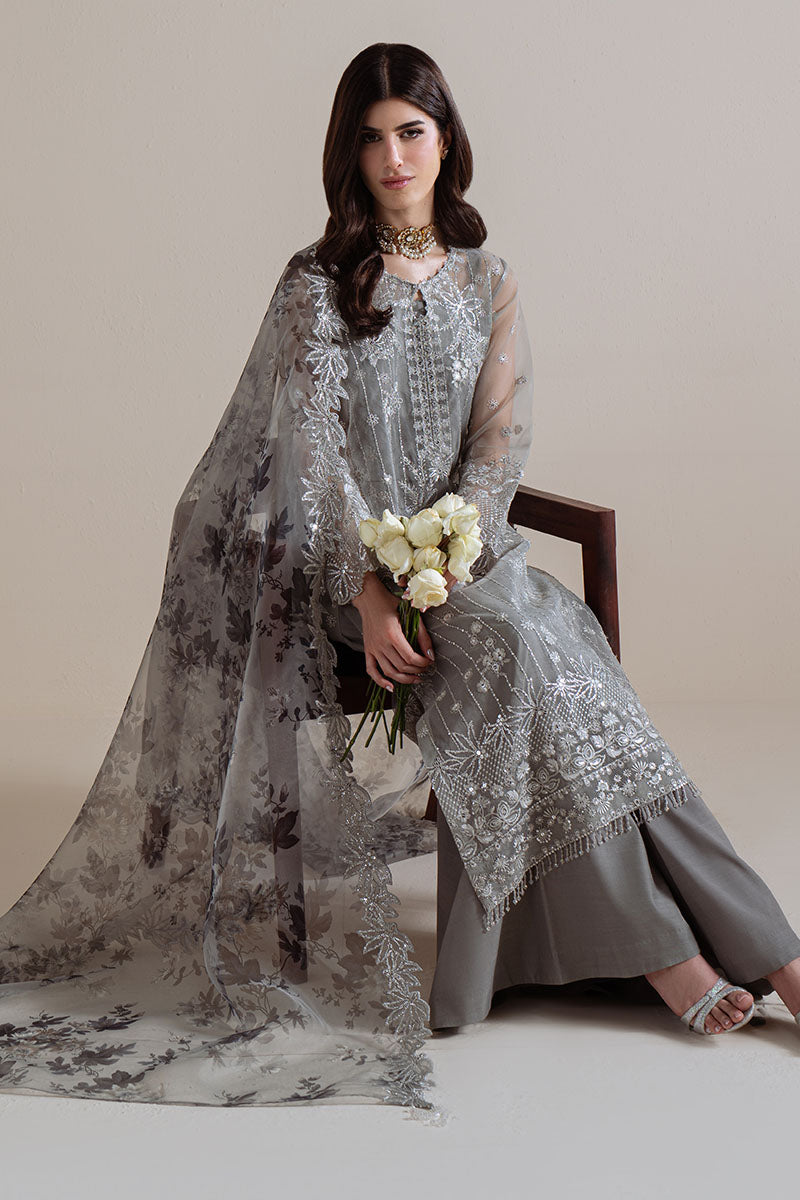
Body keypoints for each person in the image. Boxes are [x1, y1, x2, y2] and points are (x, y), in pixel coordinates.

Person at [0, 43, 798, 1119]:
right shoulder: (315, 286)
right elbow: (314, 465)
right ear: (348, 151)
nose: (394, 157)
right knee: (525, 648)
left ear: (446, 138)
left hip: (472, 560)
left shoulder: (488, 278)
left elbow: (499, 445)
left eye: (411, 132)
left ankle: (762, 949)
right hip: (347, 577)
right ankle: (682, 952)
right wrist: (376, 590)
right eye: (372, 138)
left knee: (556, 645)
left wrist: (453, 553)